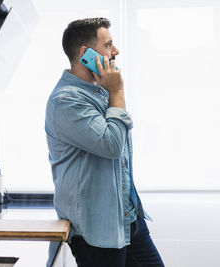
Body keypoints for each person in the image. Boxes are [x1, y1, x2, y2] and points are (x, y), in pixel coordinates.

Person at [45, 18, 164, 267]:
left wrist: (111, 92)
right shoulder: (66, 101)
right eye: (109, 44)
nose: (116, 51)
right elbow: (111, 145)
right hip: (96, 232)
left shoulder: (98, 91)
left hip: (127, 220)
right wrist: (117, 92)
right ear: (84, 54)